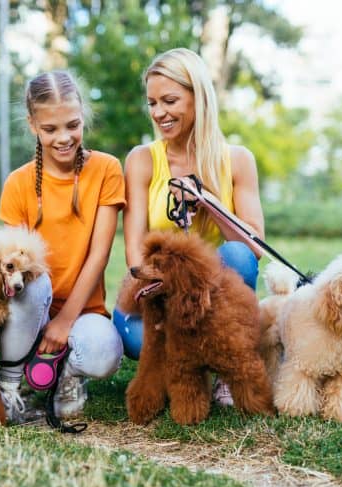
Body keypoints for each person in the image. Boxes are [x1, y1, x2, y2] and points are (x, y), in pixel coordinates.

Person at [113, 48, 266, 406]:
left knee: (238, 255)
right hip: (160, 291)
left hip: (214, 298)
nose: (158, 113)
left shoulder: (238, 160)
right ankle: (191, 360)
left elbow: (255, 247)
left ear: (199, 97)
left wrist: (209, 202)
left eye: (169, 100)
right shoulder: (141, 160)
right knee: (136, 342)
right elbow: (134, 251)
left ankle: (225, 367)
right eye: (152, 103)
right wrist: (162, 292)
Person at [0, 70, 126, 422]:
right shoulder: (18, 183)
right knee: (34, 280)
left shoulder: (107, 169)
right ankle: (8, 386)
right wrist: (47, 322)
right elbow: (12, 267)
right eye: (50, 129)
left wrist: (65, 322)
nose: (64, 138)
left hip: (83, 310)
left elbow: (99, 256)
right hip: (30, 306)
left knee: (104, 354)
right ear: (32, 125)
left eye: (72, 125)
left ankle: (67, 374)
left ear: (82, 115)